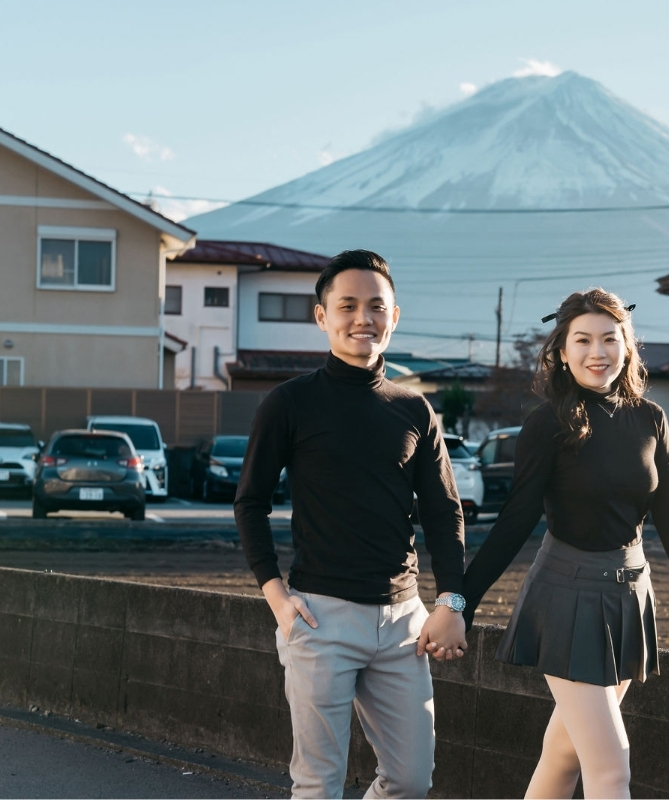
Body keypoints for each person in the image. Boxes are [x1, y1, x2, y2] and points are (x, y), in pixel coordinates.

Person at [461, 288, 669, 800]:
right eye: (582, 340)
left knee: (563, 756)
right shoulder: (547, 422)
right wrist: (460, 603)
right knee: (611, 770)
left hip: (630, 596)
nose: (597, 352)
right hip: (567, 598)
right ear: (562, 351)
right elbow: (515, 521)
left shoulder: (650, 419)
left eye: (610, 339)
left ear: (627, 346)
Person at [235, 249, 469, 799]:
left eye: (376, 306)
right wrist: (277, 598)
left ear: (394, 315)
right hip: (321, 620)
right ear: (322, 316)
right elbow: (250, 503)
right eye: (347, 306)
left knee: (411, 781)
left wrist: (451, 601)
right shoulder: (289, 403)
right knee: (318, 783)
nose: (362, 318)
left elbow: (443, 512)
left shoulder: (414, 409)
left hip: (404, 625)